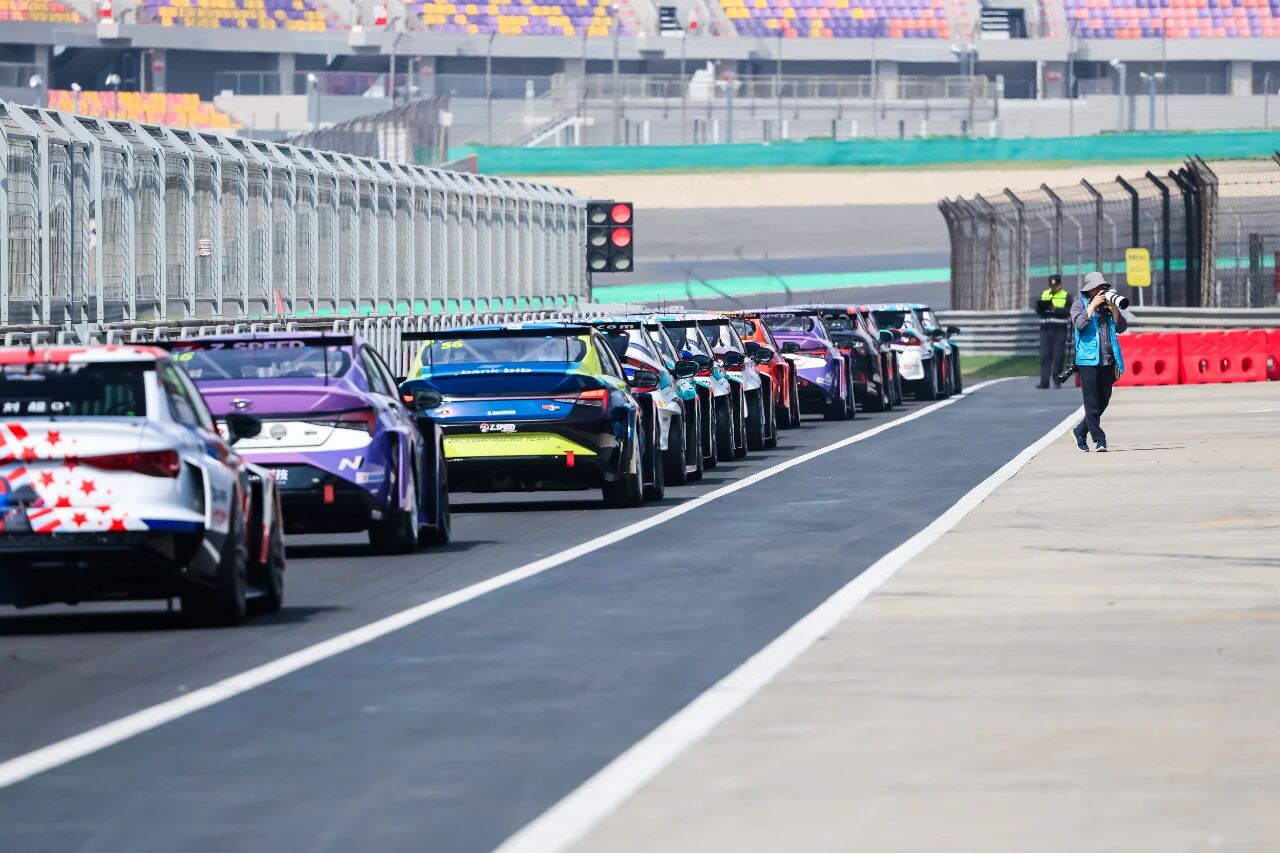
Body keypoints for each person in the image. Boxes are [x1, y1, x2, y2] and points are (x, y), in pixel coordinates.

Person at [1070, 271, 1127, 453]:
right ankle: (1099, 439)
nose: (1102, 290)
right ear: (1089, 290)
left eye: (1103, 287)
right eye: (1098, 287)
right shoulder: (1079, 305)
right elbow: (1079, 324)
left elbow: (1122, 327)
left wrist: (1114, 310)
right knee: (1091, 401)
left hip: (1107, 360)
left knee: (1104, 399)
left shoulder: (1107, 307)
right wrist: (1092, 305)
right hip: (1087, 360)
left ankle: (1080, 431)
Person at [1035, 274, 1070, 389]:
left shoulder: (1066, 296)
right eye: (1051, 285)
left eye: (1055, 285)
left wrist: (1056, 309)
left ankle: (1057, 380)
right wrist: (1041, 308)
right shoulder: (1044, 294)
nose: (1053, 287)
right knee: (1045, 356)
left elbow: (1069, 312)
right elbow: (1037, 310)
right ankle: (1044, 382)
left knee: (1058, 356)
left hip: (1059, 330)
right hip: (1045, 329)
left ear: (1060, 285)